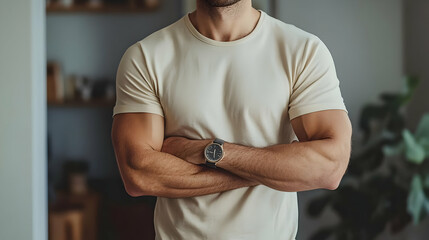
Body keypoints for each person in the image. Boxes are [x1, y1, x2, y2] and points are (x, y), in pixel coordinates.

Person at [111, 0, 352, 239]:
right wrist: (274, 169)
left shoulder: (302, 51)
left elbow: (330, 167)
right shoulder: (145, 57)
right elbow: (139, 175)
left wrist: (210, 151)